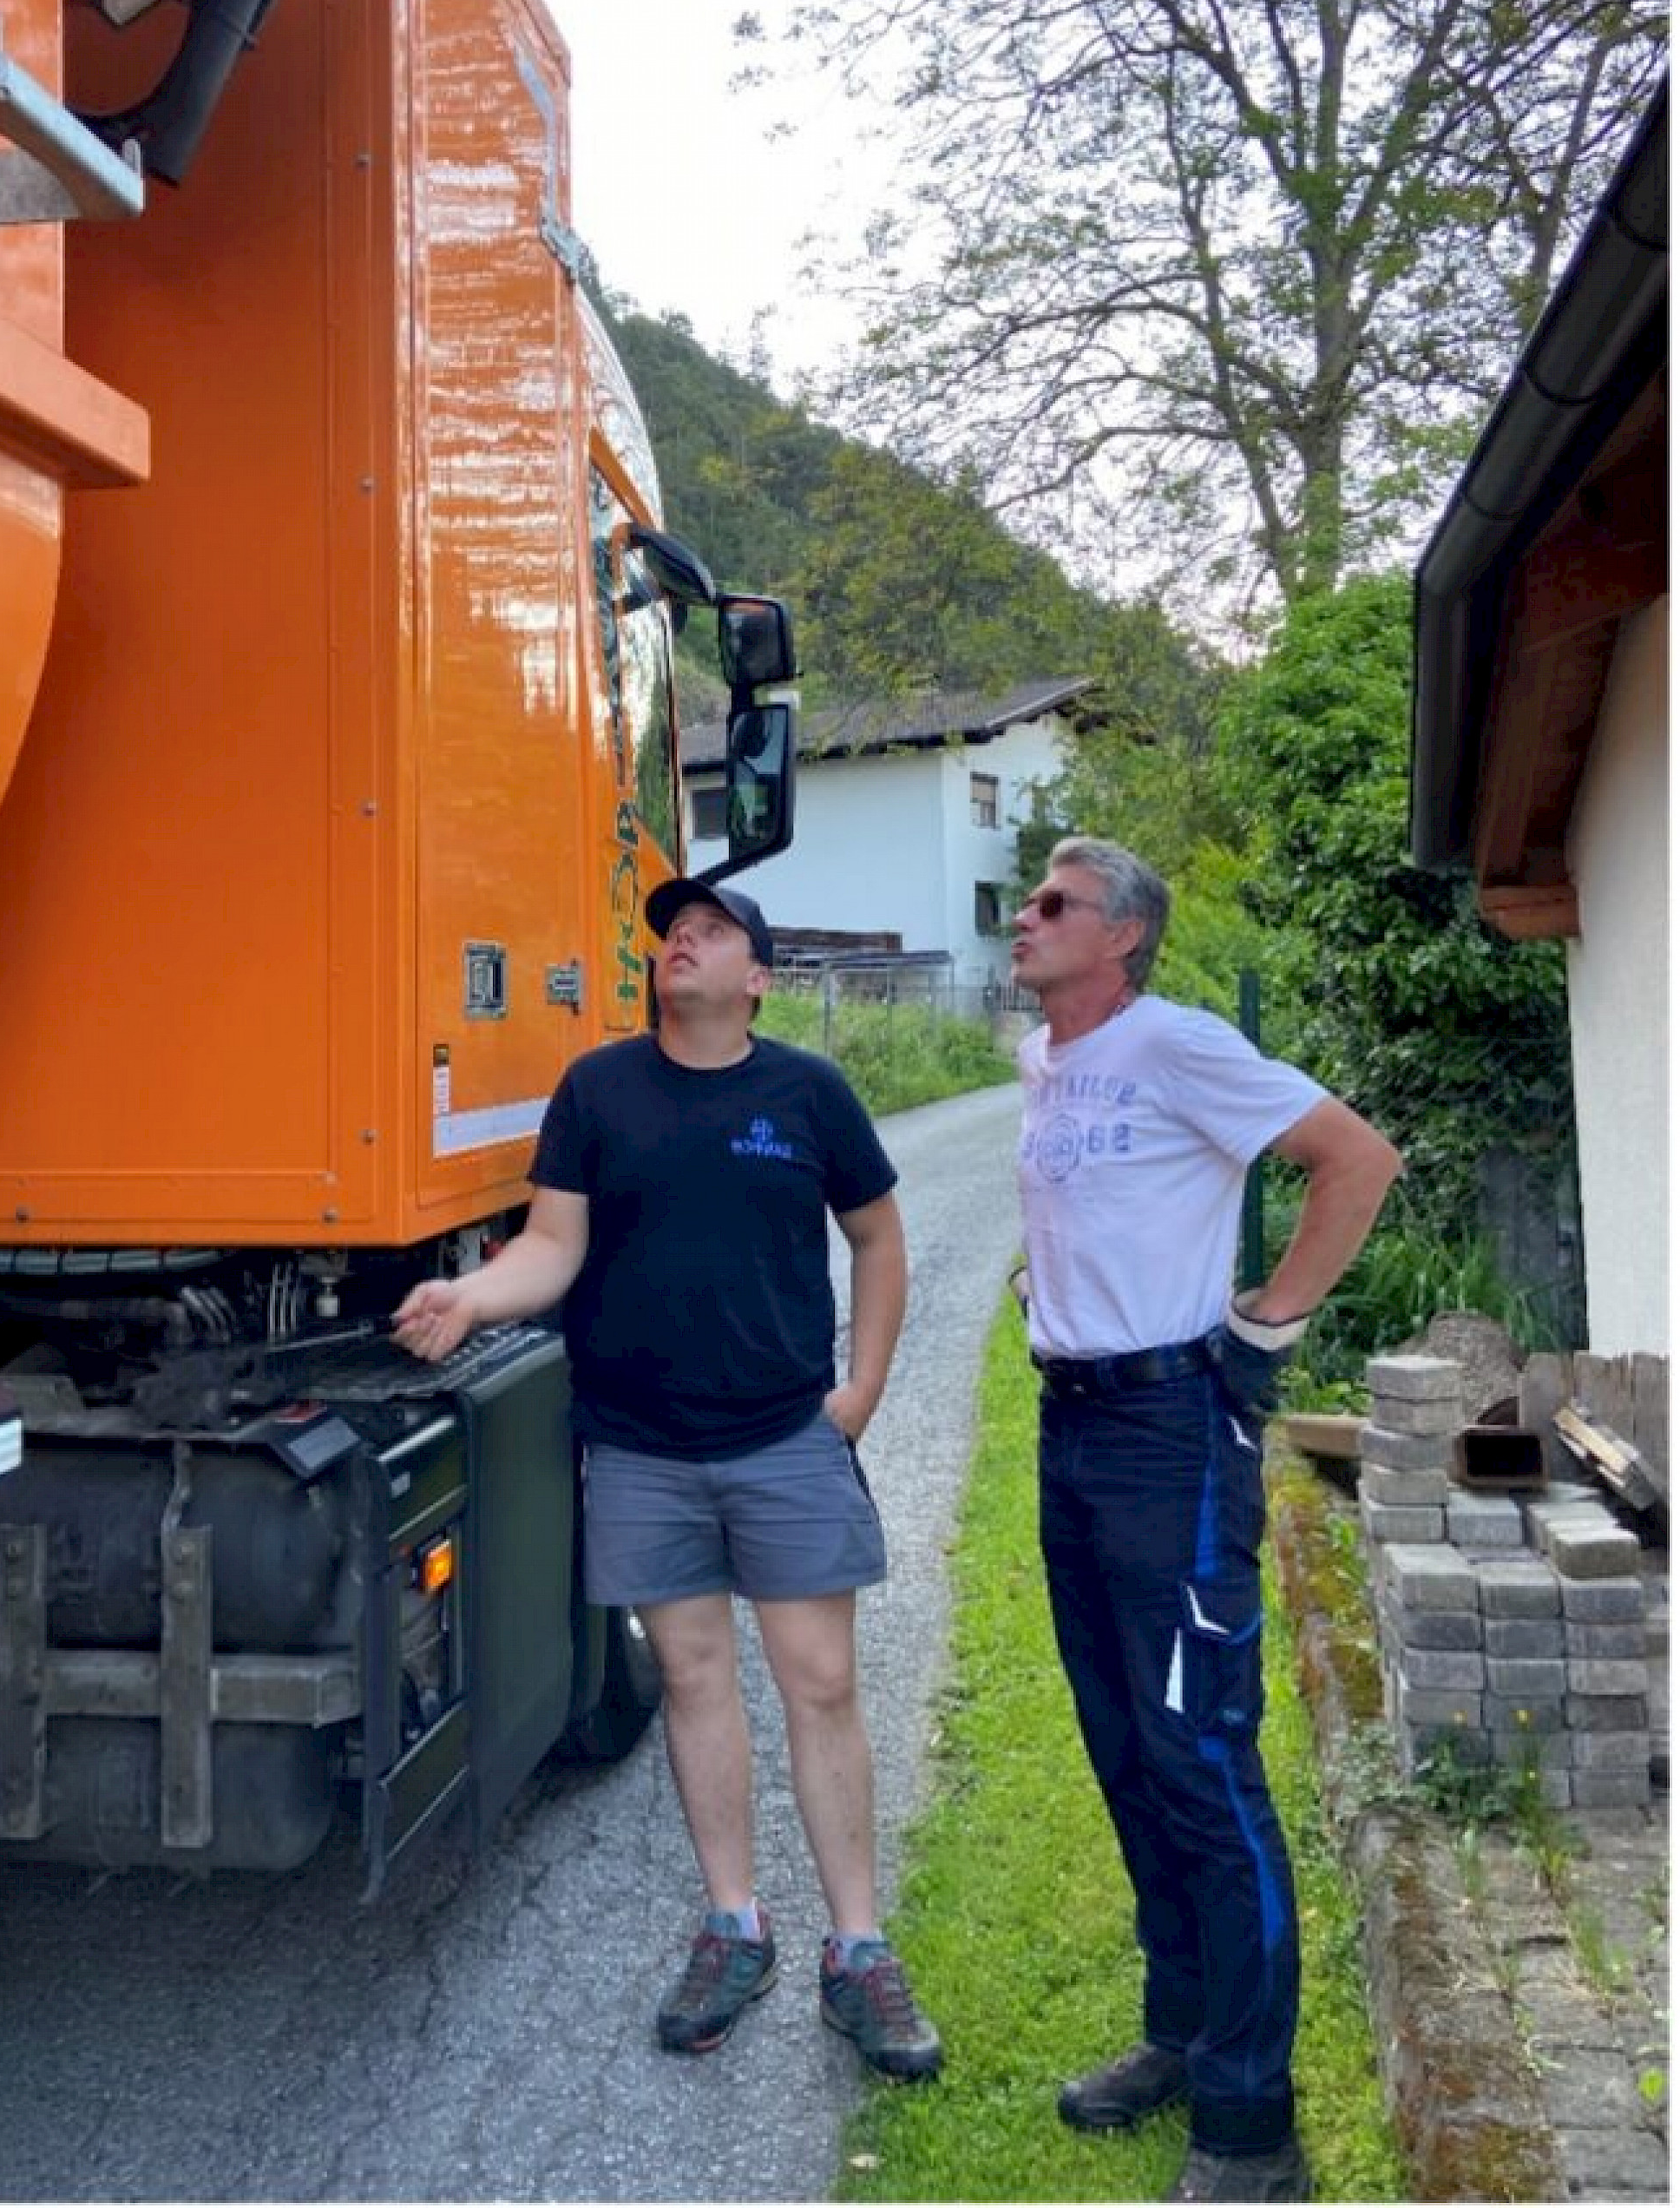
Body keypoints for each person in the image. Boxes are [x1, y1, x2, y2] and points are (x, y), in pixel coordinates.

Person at [392, 874, 942, 2080]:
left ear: (758, 975)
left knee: (822, 1683)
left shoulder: (808, 1092)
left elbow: (879, 1235)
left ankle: (858, 1951)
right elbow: (550, 1247)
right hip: (639, 1447)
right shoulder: (598, 1090)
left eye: (708, 930)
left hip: (783, 1438)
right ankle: (733, 1925)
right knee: (693, 1681)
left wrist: (863, 1389)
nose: (678, 942)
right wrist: (466, 1297)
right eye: (668, 934)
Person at [1010, 838, 1401, 2206]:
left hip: (1174, 1436)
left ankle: (1251, 2127)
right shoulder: (1046, 1065)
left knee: (1200, 1759)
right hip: (1075, 1430)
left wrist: (1262, 1331)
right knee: (1122, 1741)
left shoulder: (1176, 1042)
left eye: (1056, 903)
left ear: (1124, 938)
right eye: (1029, 898)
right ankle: (1181, 2030)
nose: (1026, 915)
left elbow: (1355, 1159)